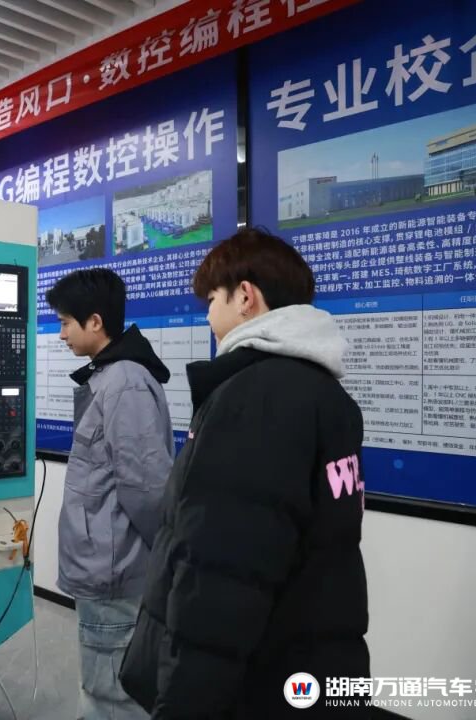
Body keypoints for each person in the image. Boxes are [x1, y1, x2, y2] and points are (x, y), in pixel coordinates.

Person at [120, 228, 370, 718]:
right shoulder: (326, 395)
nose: (208, 315)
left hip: (256, 679)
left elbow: (221, 577)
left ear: (245, 297)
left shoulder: (253, 398)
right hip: (310, 661)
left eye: (213, 299)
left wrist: (183, 703)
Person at [47, 268, 175, 720]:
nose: (61, 334)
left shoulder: (125, 382)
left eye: (66, 322)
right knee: (102, 687)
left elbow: (147, 489)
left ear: (95, 322)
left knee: (113, 695)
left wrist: (165, 556)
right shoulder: (108, 377)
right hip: (103, 565)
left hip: (115, 570)